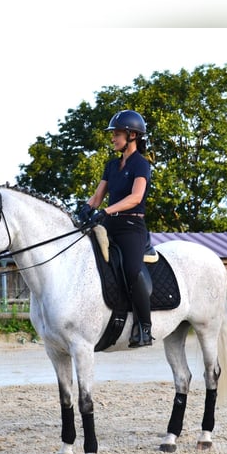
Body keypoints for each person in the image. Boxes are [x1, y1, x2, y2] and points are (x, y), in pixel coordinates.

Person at [78, 109, 154, 348]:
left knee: (132, 270)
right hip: (110, 224)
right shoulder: (111, 165)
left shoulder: (142, 165)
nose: (113, 138)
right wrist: (85, 208)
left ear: (132, 136)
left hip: (131, 225)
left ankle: (144, 326)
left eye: (117, 134)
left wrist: (106, 211)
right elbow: (98, 197)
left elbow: (135, 197)